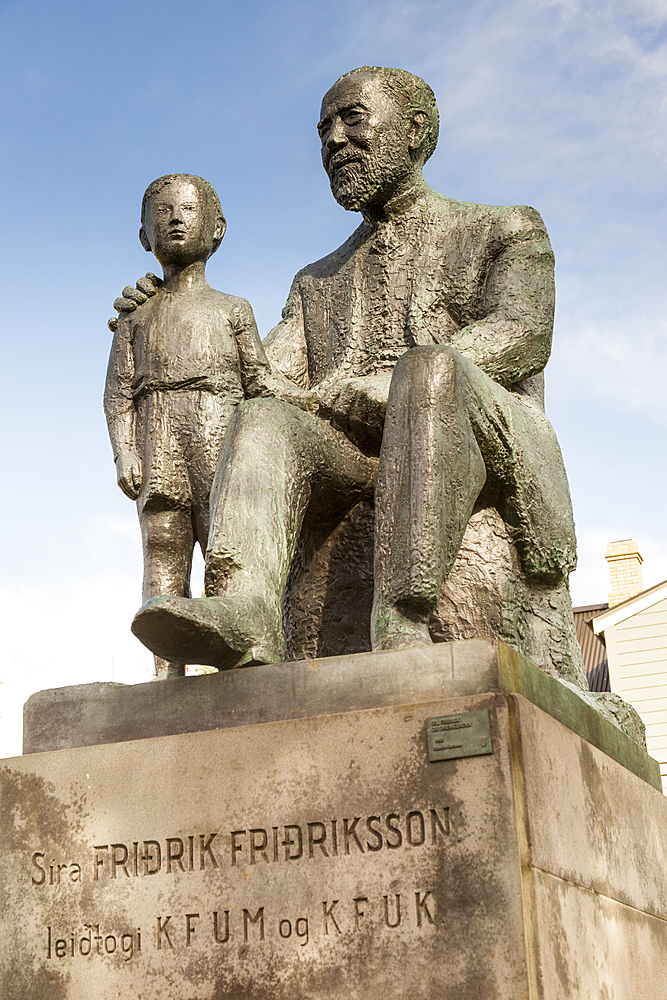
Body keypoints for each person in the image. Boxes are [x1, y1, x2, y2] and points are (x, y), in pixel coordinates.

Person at [115, 67, 576, 672]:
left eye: (352, 119)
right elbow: (258, 374)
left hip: (482, 443)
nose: (333, 141)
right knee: (262, 417)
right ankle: (247, 610)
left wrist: (401, 382)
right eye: (323, 129)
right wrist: (173, 306)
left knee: (431, 372)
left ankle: (404, 619)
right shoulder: (316, 281)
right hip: (357, 458)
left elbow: (520, 334)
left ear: (415, 130)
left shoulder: (502, 228)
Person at [105, 173, 312, 677]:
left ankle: (231, 656)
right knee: (162, 547)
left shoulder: (233, 309)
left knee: (226, 542)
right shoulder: (135, 319)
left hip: (220, 435)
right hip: (159, 439)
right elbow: (116, 392)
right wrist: (125, 451)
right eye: (162, 211)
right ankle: (165, 670)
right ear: (143, 237)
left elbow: (261, 379)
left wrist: (315, 404)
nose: (174, 219)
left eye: (187, 210)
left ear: (217, 229)